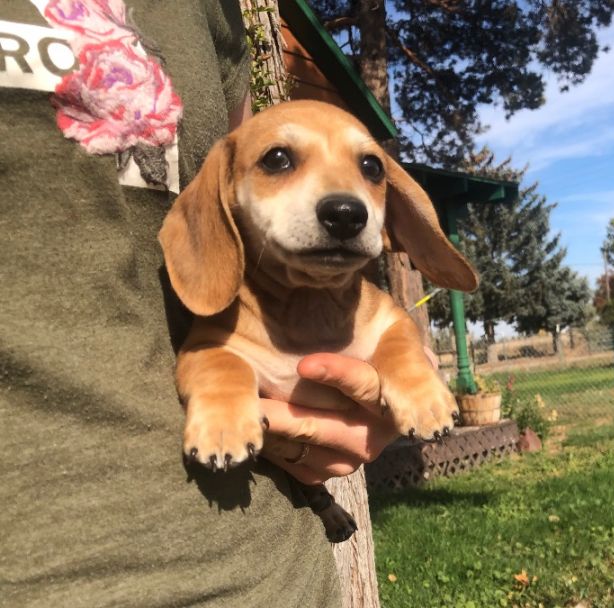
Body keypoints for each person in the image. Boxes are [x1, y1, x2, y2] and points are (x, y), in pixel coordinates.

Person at [0, 1, 396, 606]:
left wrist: (387, 366)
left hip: (269, 570)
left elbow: (240, 219)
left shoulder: (212, 8)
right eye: (283, 159)